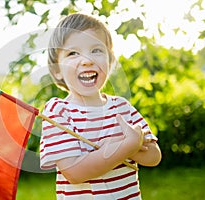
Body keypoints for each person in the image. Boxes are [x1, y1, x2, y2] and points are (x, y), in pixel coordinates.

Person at [39, 13, 161, 199]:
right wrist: (123, 147)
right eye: (73, 53)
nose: (87, 60)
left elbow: (153, 156)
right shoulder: (58, 112)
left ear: (109, 62)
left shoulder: (122, 107)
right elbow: (75, 173)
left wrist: (133, 146)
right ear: (57, 71)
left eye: (96, 50)